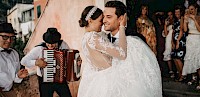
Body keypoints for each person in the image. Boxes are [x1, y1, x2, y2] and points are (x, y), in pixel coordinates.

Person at [78, 1, 162, 97]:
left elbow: (145, 77)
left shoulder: (135, 43)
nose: (104, 21)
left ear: (121, 19)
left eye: (108, 17)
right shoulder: (99, 37)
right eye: (103, 17)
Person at [77, 5, 127, 97]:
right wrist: (122, 27)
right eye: (100, 20)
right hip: (107, 81)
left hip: (96, 80)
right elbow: (122, 54)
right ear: (90, 20)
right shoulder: (93, 38)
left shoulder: (86, 37)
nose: (103, 23)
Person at [21, 28, 72, 97]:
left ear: (57, 41)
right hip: (44, 81)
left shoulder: (63, 45)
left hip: (61, 79)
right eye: (48, 43)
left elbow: (70, 57)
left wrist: (76, 61)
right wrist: (36, 62)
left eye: (53, 43)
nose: (50, 46)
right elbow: (23, 61)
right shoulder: (39, 49)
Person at [0, 23, 28, 97]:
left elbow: (14, 78)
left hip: (9, 91)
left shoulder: (14, 53)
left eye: (12, 37)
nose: (9, 40)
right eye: (5, 37)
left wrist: (18, 76)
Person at [182, 4, 200, 90]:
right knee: (191, 59)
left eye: (192, 9)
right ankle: (194, 78)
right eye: (189, 10)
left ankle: (199, 81)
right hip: (190, 40)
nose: (190, 11)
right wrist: (185, 21)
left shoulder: (199, 17)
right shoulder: (188, 18)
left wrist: (194, 19)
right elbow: (185, 30)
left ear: (196, 9)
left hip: (197, 39)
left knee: (197, 59)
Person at [171, 5, 186, 81]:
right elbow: (173, 32)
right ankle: (180, 74)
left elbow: (181, 30)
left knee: (178, 58)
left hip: (180, 40)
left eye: (178, 12)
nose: (177, 13)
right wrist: (172, 42)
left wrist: (177, 41)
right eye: (175, 12)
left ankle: (183, 75)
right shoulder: (175, 20)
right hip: (175, 40)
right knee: (174, 57)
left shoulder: (182, 18)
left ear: (181, 12)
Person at [163, 11, 175, 78]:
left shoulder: (175, 22)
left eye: (171, 14)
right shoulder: (167, 24)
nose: (169, 16)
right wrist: (165, 25)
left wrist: (173, 41)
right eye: (168, 15)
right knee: (168, 55)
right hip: (168, 39)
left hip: (173, 39)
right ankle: (171, 71)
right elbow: (165, 34)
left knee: (175, 55)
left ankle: (178, 71)